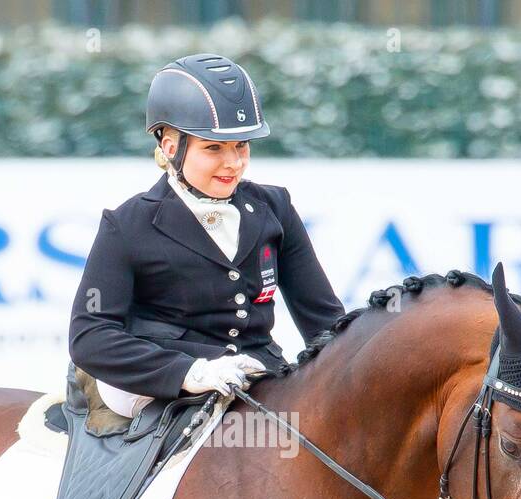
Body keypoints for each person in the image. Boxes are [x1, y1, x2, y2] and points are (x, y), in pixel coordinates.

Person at [68, 52, 347, 418]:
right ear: (171, 146)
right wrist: (189, 372)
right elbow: (90, 335)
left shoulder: (274, 207)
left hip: (258, 372)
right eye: (213, 148)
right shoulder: (128, 225)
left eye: (241, 146)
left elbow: (323, 319)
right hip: (159, 384)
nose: (233, 163)